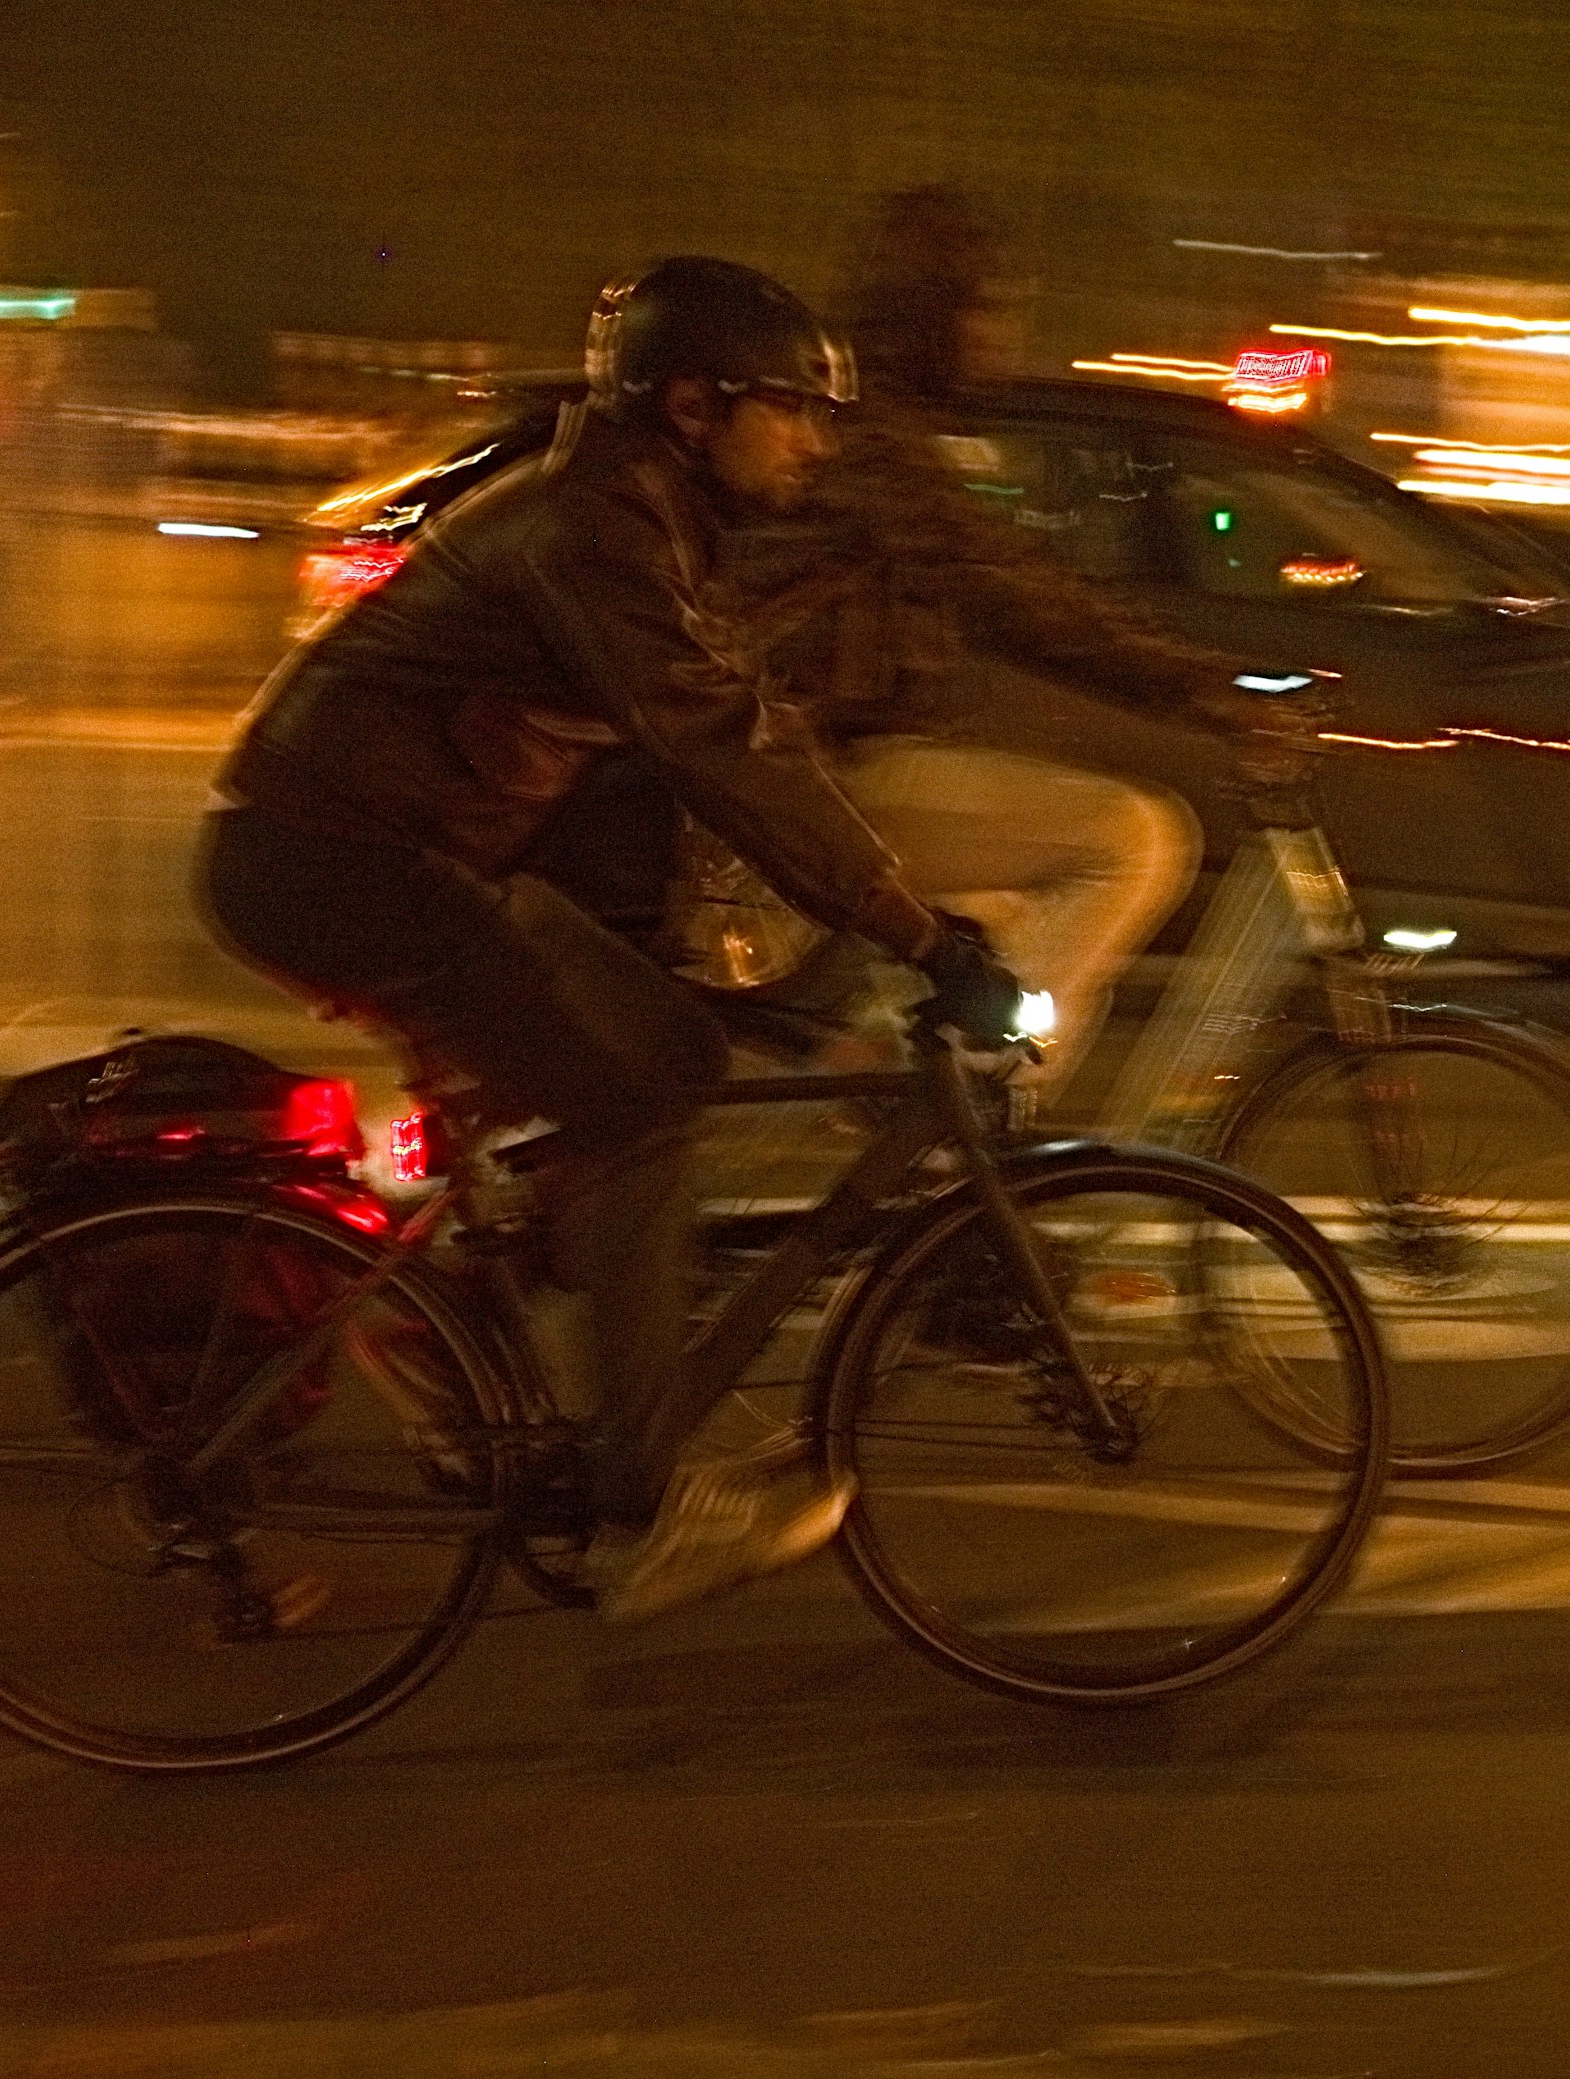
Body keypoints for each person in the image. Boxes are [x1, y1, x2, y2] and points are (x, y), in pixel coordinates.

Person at [202, 256, 1031, 1621]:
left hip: (402, 853)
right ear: (695, 406)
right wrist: (916, 933)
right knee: (641, 1109)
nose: (816, 442)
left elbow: (702, 747)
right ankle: (644, 1508)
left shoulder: (641, 520)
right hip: (334, 862)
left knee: (669, 1053)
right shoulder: (596, 532)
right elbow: (724, 750)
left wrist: (822, 940)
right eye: (792, 410)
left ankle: (485, 1339)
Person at [727, 186, 1304, 1110]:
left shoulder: (871, 431)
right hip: (821, 777)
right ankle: (961, 1112)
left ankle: (938, 1151)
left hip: (827, 766)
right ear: (934, 316)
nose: (1003, 337)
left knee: (1026, 932)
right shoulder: (875, 446)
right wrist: (1209, 694)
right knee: (1135, 840)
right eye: (988, 310)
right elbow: (1021, 600)